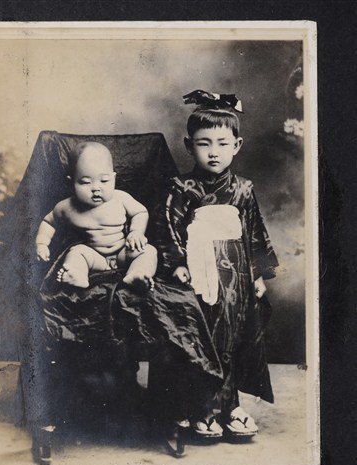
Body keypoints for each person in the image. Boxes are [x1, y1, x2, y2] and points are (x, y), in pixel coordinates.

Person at [155, 90, 278, 440]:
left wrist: (258, 274)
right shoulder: (181, 187)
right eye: (204, 143)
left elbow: (254, 233)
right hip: (198, 272)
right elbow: (167, 228)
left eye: (223, 144)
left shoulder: (243, 189)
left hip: (235, 275)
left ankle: (231, 405)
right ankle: (200, 407)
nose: (213, 152)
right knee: (202, 337)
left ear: (237, 145)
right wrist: (177, 264)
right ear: (188, 145)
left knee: (232, 338)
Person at [35, 141, 157, 290]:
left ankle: (137, 274)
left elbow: (140, 212)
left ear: (114, 178)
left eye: (104, 180)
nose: (96, 188)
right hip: (93, 257)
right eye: (86, 182)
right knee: (76, 252)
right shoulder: (66, 207)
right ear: (71, 182)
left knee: (148, 251)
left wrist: (136, 232)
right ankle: (78, 274)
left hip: (122, 252)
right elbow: (49, 222)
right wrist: (42, 244)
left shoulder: (120, 198)